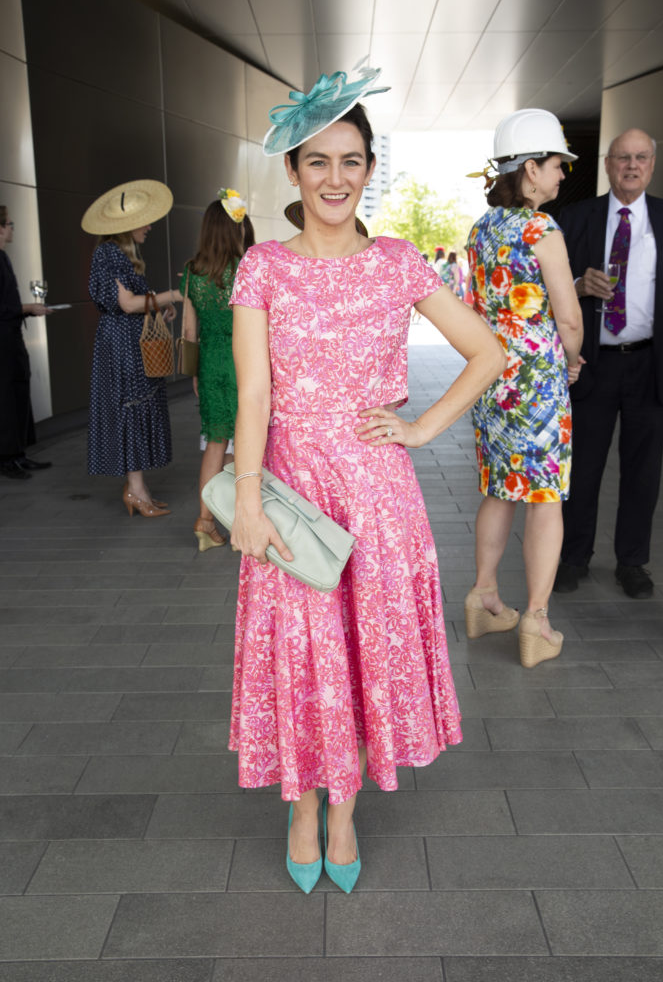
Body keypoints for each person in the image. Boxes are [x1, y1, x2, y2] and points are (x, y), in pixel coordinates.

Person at [228, 62, 505, 895]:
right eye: (318, 161)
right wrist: (244, 497)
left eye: (351, 161)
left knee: (360, 650)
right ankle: (304, 804)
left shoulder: (396, 263)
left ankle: (342, 804)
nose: (335, 178)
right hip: (290, 483)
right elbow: (251, 391)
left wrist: (419, 426)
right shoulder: (263, 268)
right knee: (303, 653)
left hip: (379, 495)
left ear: (369, 169)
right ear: (292, 172)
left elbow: (487, 351)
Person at [463, 109, 583, 668]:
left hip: (491, 377)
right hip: (537, 381)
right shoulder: (542, 229)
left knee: (498, 486)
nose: (562, 176)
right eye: (558, 165)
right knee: (545, 497)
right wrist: (574, 360)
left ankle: (484, 597)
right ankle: (536, 621)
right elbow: (570, 318)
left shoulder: (481, 228)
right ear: (531, 169)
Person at [553, 129, 663, 599]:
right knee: (582, 466)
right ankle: (573, 557)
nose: (632, 165)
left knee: (643, 471)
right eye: (623, 158)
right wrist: (577, 283)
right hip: (593, 361)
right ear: (608, 165)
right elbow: (548, 285)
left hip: (651, 361)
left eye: (641, 158)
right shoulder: (576, 216)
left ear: (652, 164)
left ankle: (632, 562)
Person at [81, 179, 180, 517]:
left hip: (128, 342)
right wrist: (171, 295)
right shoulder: (109, 253)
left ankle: (138, 489)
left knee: (135, 408)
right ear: (126, 226)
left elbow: (134, 302)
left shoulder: (120, 254)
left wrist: (156, 306)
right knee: (131, 408)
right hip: (122, 345)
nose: (150, 226)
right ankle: (136, 491)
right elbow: (126, 303)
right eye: (145, 220)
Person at [180, 191, 255, 550]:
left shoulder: (192, 273)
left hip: (210, 367)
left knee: (215, 444)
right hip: (246, 364)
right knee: (249, 446)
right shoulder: (248, 269)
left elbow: (189, 334)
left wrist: (196, 374)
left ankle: (205, 521)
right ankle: (244, 523)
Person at [0, 206, 53, 480]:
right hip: (3, 341)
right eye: (9, 224)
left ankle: (18, 453)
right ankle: (7, 457)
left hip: (12, 337)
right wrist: (29, 307)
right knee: (7, 396)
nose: (11, 228)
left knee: (19, 390)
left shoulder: (3, 258)